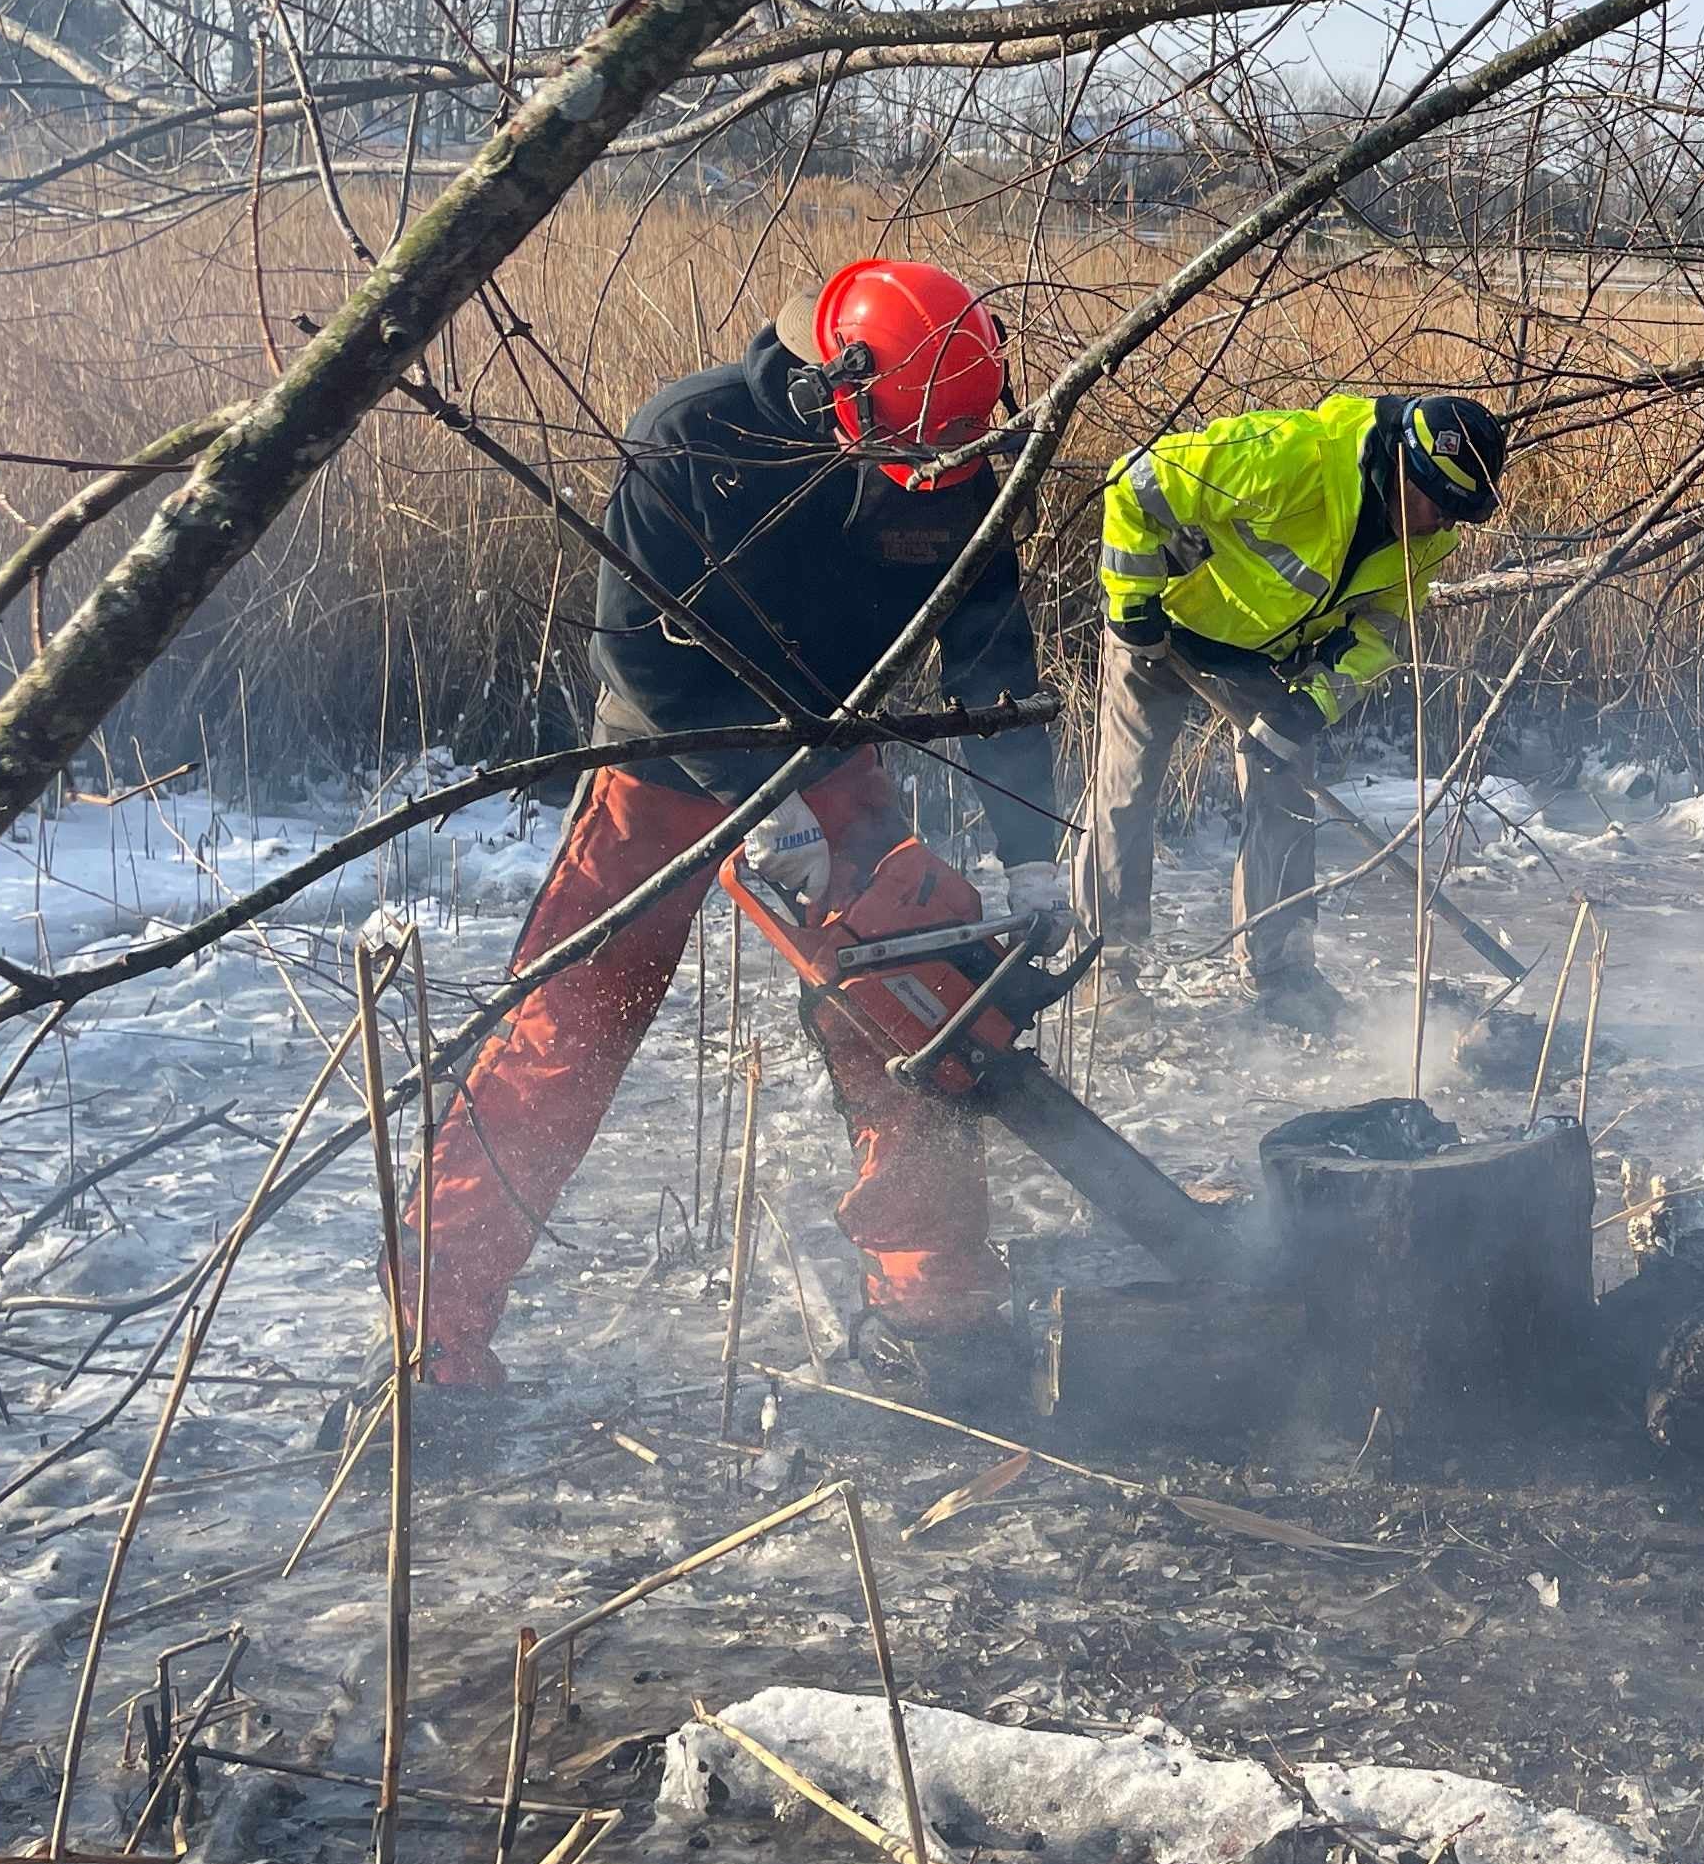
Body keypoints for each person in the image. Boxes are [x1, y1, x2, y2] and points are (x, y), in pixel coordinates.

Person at [406, 259, 1063, 1413]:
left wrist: (1028, 847)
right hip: (667, 751)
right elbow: (644, 658)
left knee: (918, 1014)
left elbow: (992, 649)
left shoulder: (951, 449)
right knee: (567, 1030)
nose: (933, 479)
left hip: (834, 746)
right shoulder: (698, 439)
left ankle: (939, 1303)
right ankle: (436, 1340)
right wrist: (764, 804)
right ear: (837, 384)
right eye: (913, 455)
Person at [1076, 393, 1507, 1030]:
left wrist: (1313, 704)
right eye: (1439, 507)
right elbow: (1136, 482)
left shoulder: (1429, 537)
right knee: (1130, 786)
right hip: (1165, 624)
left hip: (1271, 659)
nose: (1445, 526)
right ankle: (1107, 967)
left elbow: (1384, 629)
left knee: (1285, 790)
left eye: (1458, 516)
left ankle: (1281, 970)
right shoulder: (1292, 455)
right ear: (1401, 467)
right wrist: (1132, 602)